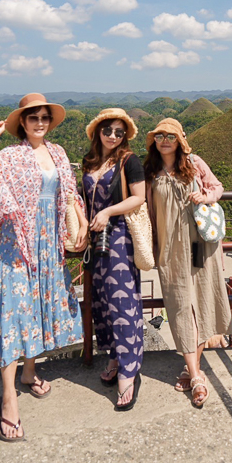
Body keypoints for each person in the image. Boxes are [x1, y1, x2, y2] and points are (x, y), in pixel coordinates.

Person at [0, 93, 87, 441]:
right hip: (19, 244)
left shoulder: (58, 153)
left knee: (38, 308)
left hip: (49, 242)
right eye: (33, 117)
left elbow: (69, 194)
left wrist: (80, 225)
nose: (40, 123)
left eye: (44, 118)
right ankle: (8, 401)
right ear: (22, 123)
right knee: (14, 313)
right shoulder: (11, 155)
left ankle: (28, 374)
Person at [145, 119, 232, 408]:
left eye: (171, 136)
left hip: (200, 246)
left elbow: (217, 187)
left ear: (180, 139)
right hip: (170, 251)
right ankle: (195, 372)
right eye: (160, 136)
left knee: (201, 305)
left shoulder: (194, 163)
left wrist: (206, 195)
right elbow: (147, 211)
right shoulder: (151, 171)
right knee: (180, 308)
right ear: (154, 140)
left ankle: (191, 371)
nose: (165, 140)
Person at [82, 108, 146, 411]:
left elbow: (138, 197)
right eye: (108, 130)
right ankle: (113, 356)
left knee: (123, 303)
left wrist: (107, 212)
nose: (113, 136)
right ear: (98, 131)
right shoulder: (90, 160)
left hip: (119, 237)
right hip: (96, 240)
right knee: (102, 303)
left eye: (119, 132)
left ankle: (129, 371)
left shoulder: (128, 161)